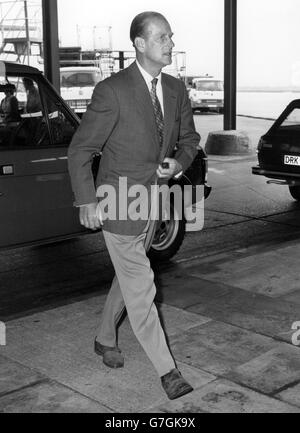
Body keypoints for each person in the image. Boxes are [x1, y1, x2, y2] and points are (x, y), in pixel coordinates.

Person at [68, 11, 201, 400]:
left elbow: (190, 139)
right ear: (140, 44)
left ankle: (104, 336)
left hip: (155, 200)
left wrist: (179, 162)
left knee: (129, 278)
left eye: (171, 37)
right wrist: (87, 200)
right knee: (142, 284)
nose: (170, 44)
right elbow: (81, 150)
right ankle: (167, 370)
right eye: (162, 38)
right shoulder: (113, 91)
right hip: (118, 203)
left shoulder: (176, 90)